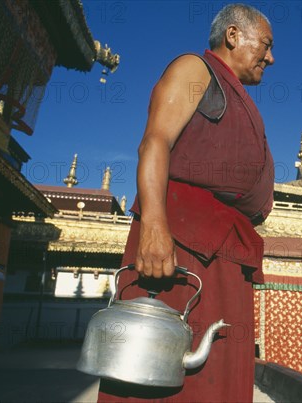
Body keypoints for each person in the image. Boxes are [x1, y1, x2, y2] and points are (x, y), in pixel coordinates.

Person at [98, 4, 275, 402]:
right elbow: (155, 142)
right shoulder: (197, 71)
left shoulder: (235, 91)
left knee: (218, 371)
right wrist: (155, 230)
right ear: (233, 36)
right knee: (165, 368)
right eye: (265, 45)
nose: (270, 57)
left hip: (222, 245)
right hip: (182, 242)